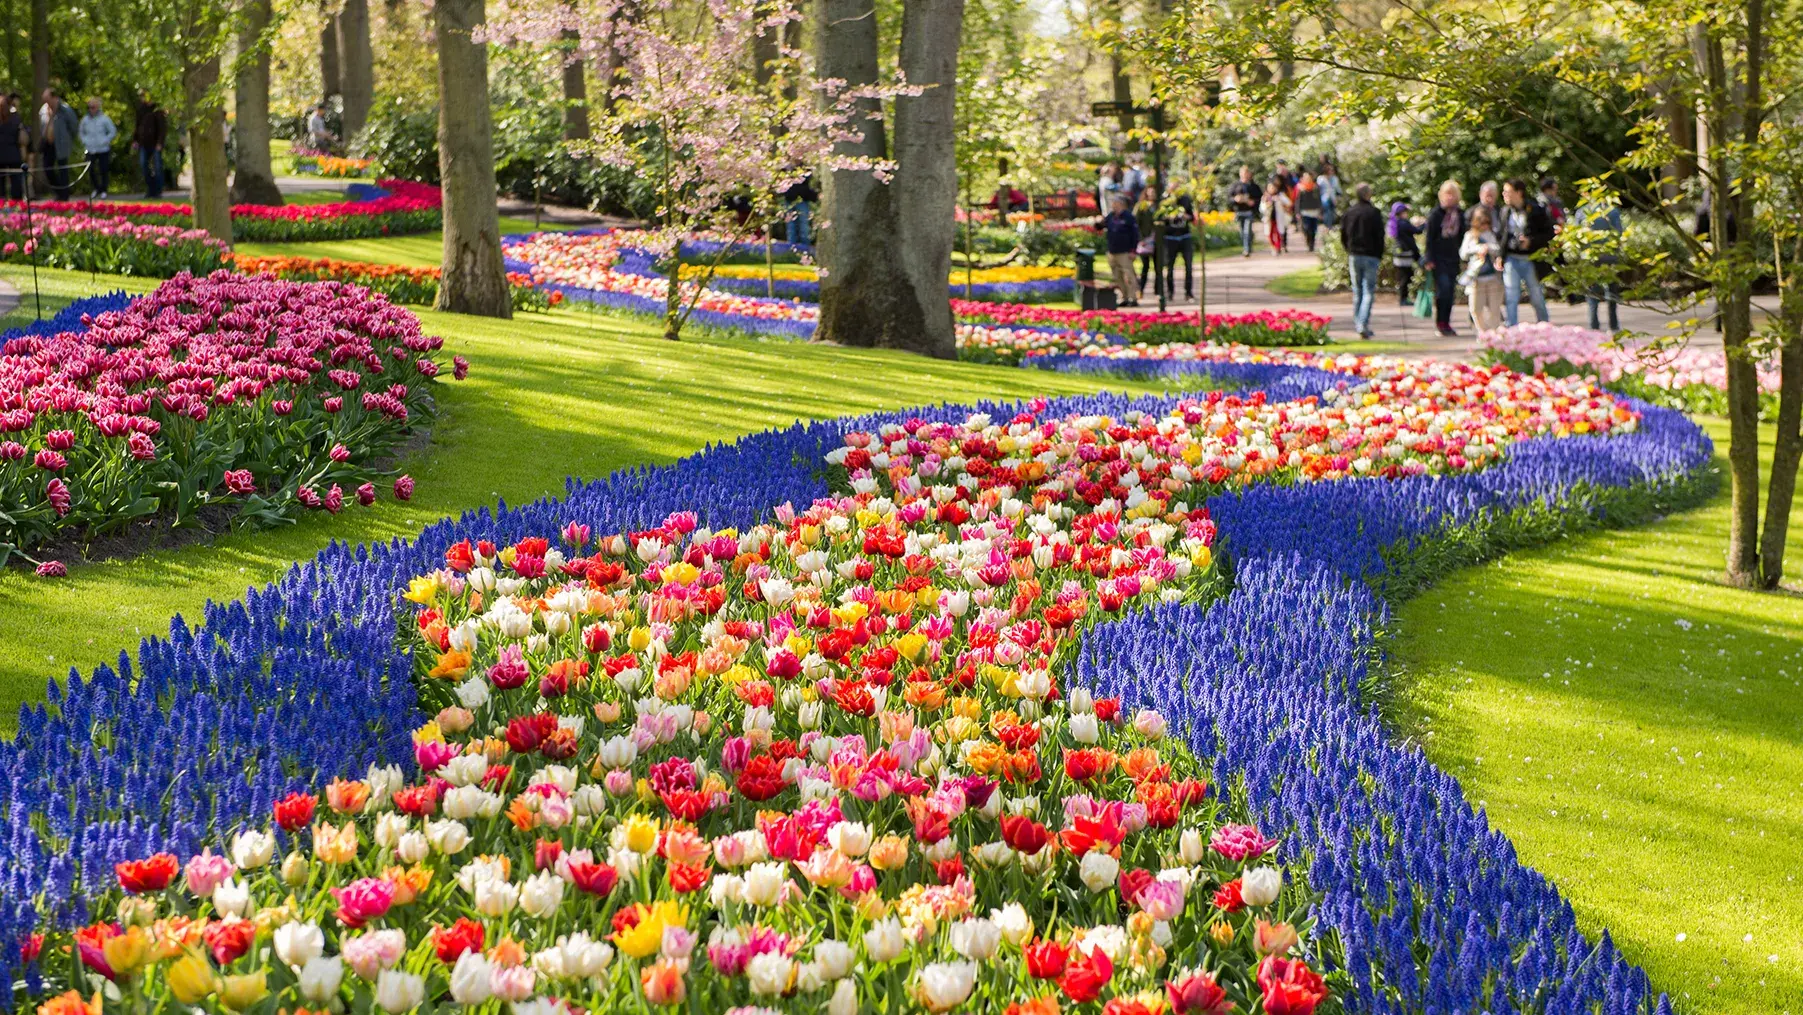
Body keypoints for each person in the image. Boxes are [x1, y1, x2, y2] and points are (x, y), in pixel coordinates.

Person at [1498, 178, 1553, 325]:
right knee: (1511, 296)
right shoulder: (1505, 211)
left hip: (1530, 259)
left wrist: (1531, 241)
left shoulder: (1536, 210)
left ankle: (1544, 325)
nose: (1504, 195)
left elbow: (1548, 234)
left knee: (1536, 296)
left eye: (1507, 192)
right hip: (1511, 258)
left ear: (1518, 193)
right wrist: (1500, 256)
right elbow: (1502, 237)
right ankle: (1511, 329)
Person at [1421, 180, 1467, 336]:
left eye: (1452, 194)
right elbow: (1429, 238)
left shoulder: (1460, 214)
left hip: (1453, 258)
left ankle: (1446, 322)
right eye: (1447, 194)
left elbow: (1463, 237)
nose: (1450, 197)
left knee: (1450, 292)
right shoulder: (1435, 214)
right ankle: (1440, 322)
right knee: (1443, 290)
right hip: (1438, 258)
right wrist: (1428, 259)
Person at [1340, 182, 1385, 339]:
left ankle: (1359, 322)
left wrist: (1349, 249)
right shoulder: (1374, 213)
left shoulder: (1350, 212)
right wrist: (1380, 253)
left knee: (1358, 291)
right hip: (1370, 255)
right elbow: (1380, 236)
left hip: (1355, 254)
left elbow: (1343, 234)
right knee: (1367, 291)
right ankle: (1362, 324)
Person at [1577, 199, 1624, 331]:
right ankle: (1614, 326)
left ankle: (1594, 327)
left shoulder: (1582, 212)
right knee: (1612, 293)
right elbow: (1618, 233)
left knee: (1592, 295)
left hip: (1590, 257)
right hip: (1609, 256)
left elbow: (1577, 236)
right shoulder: (1612, 211)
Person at [1460, 206, 1505, 331]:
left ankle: (1495, 334)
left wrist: (1488, 247)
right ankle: (1483, 333)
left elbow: (1499, 249)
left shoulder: (1492, 234)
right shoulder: (1469, 235)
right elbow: (1463, 254)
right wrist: (1477, 249)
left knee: (1494, 309)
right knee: (1475, 309)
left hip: (1493, 278)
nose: (1485, 225)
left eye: (1487, 222)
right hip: (1476, 278)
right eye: (1482, 222)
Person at [37, 88, 80, 200]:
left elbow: (74, 126)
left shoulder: (65, 109)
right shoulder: (43, 110)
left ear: (54, 97)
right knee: (47, 168)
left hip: (61, 143)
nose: (46, 102)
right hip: (48, 144)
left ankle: (64, 196)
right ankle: (59, 192)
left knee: (63, 169)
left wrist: (67, 138)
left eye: (48, 99)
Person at [1103, 195, 1141, 306]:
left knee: (1129, 275)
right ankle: (1124, 297)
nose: (1113, 205)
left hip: (1125, 252)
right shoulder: (1110, 216)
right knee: (1117, 276)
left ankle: (1133, 298)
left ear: (1121, 204)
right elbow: (1103, 226)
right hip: (1112, 251)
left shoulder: (1128, 217)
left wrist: (1133, 250)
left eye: (1115, 203)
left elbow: (1135, 235)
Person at [79, 97, 116, 200]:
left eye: (93, 107)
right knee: (91, 170)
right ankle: (96, 188)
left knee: (103, 169)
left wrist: (105, 140)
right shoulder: (85, 120)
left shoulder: (104, 119)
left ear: (97, 107)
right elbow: (81, 132)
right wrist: (85, 141)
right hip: (90, 149)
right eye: (89, 107)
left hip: (103, 149)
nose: (91, 109)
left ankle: (104, 190)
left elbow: (112, 131)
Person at [1162, 189, 1196, 299]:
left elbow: (1192, 217)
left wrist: (1187, 216)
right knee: (1169, 266)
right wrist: (1168, 217)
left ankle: (1188, 292)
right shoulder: (1165, 201)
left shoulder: (1185, 200)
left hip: (1185, 236)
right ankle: (1170, 292)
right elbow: (1159, 218)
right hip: (1170, 237)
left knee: (1189, 266)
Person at [131, 92, 166, 198]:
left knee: (157, 166)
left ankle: (158, 190)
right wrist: (135, 140)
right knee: (144, 166)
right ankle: (151, 189)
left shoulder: (157, 110)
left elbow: (162, 128)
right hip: (143, 143)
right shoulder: (141, 109)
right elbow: (138, 126)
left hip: (155, 144)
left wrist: (160, 143)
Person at [1388, 201, 1422, 305]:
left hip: (1400, 254)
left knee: (1404, 276)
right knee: (1405, 277)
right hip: (1405, 255)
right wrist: (1425, 224)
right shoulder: (1403, 223)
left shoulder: (1397, 223)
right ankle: (1403, 299)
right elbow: (1417, 230)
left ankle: (1403, 297)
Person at [1227, 165, 1261, 257]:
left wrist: (1253, 202)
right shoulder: (1235, 186)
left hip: (1249, 212)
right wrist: (1235, 199)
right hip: (1239, 212)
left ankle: (1247, 250)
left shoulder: (1253, 186)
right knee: (1242, 232)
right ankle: (1248, 246)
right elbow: (1229, 199)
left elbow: (1259, 198)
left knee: (1247, 230)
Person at [1134, 187, 1160, 295]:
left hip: (1157, 241)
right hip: (1145, 240)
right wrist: (1140, 239)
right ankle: (1141, 289)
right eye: (1150, 192)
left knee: (1158, 267)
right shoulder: (1141, 206)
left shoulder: (1159, 206)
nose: (1152, 194)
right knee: (1145, 267)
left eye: (1154, 192)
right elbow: (1135, 223)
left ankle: (1158, 290)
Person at [778, 174, 816, 245]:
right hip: (789, 199)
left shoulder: (804, 170)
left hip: (802, 199)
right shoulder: (786, 169)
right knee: (791, 226)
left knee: (803, 225)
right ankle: (791, 246)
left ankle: (805, 246)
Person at [0, 94, 24, 200]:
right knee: (14, 182)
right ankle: (15, 203)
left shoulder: (14, 118)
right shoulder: (15, 118)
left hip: (9, 154)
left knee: (10, 183)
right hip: (12, 154)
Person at [1295, 171, 1323, 251]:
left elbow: (1319, 200)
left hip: (1314, 211)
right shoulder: (1300, 188)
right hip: (1304, 211)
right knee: (1306, 228)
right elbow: (1298, 201)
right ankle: (1308, 241)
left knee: (1313, 229)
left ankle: (1312, 244)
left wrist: (1320, 211)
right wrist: (1297, 212)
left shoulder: (1315, 187)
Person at [1317, 159, 1342, 226]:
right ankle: (1327, 226)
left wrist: (1339, 196)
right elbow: (1317, 189)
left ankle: (1330, 226)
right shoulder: (1321, 178)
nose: (1332, 171)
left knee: (1332, 212)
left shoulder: (1335, 179)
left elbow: (1338, 189)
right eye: (1330, 170)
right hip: (1324, 198)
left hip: (1333, 198)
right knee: (1327, 212)